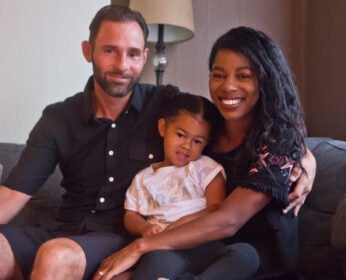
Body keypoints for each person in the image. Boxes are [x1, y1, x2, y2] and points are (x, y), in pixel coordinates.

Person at [0, 5, 314, 280]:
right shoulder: (59, 117)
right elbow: (14, 192)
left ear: (145, 56)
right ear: (88, 51)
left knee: (65, 257)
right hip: (94, 233)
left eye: (133, 53)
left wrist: (304, 155)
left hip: (168, 243)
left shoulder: (167, 104)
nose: (122, 65)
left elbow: (251, 137)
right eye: (110, 50)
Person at [93, 26, 315, 280]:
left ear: (265, 81)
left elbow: (227, 220)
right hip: (198, 259)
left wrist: (140, 246)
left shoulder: (278, 145)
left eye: (243, 76)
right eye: (218, 75)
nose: (228, 86)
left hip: (257, 268)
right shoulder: (204, 136)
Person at [125, 92, 260, 280]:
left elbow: (216, 207)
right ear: (163, 127)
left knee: (246, 255)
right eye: (180, 135)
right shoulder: (144, 178)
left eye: (197, 141)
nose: (187, 146)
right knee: (150, 271)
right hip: (163, 248)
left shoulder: (206, 168)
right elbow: (130, 214)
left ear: (206, 143)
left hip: (206, 245)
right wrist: (143, 228)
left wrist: (184, 222)